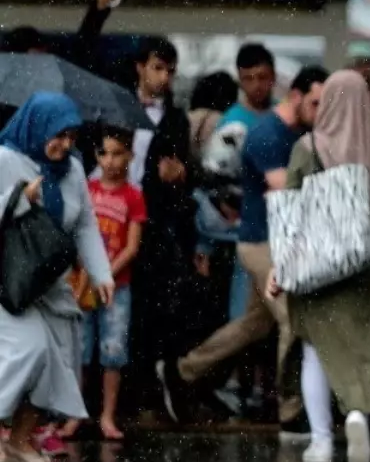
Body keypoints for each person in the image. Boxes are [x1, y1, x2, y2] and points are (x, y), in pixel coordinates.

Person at [176, 66, 328, 430]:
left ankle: (186, 368)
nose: (320, 111)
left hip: (275, 241)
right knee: (294, 321)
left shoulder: (294, 133)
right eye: (315, 102)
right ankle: (292, 409)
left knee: (254, 325)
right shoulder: (266, 136)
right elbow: (286, 192)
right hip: (262, 243)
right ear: (295, 96)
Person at [276, 70, 370, 462]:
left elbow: (290, 210)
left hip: (316, 264)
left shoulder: (307, 148)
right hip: (363, 265)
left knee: (315, 349)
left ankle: (323, 441)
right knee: (360, 350)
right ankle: (358, 414)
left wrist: (282, 266)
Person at [0, 93, 114, 462]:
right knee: (30, 350)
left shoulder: (73, 169)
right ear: (37, 126)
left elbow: (84, 224)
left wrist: (101, 273)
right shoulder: (6, 159)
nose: (64, 144)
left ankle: (20, 440)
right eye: (57, 134)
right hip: (8, 283)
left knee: (59, 363)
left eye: (71, 135)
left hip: (48, 283)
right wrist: (19, 199)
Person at [124, 38, 196, 424]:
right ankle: (124, 393)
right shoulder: (119, 108)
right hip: (118, 218)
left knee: (152, 311)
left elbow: (183, 170)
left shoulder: (175, 119)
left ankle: (146, 389)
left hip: (155, 224)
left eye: (169, 70)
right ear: (140, 67)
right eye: (157, 68)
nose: (163, 77)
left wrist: (179, 176)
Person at [65, 125, 145, 441]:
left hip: (116, 284)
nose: (110, 161)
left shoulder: (133, 196)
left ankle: (107, 415)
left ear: (130, 155)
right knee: (80, 350)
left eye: (117, 153)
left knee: (113, 351)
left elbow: (132, 246)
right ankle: (74, 415)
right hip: (85, 283)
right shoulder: (87, 189)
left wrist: (106, 272)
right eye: (103, 153)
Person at [221, 44, 277, 129]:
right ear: (240, 80)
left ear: (273, 77)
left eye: (262, 77)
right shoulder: (231, 122)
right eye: (248, 79)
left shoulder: (285, 116)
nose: (256, 85)